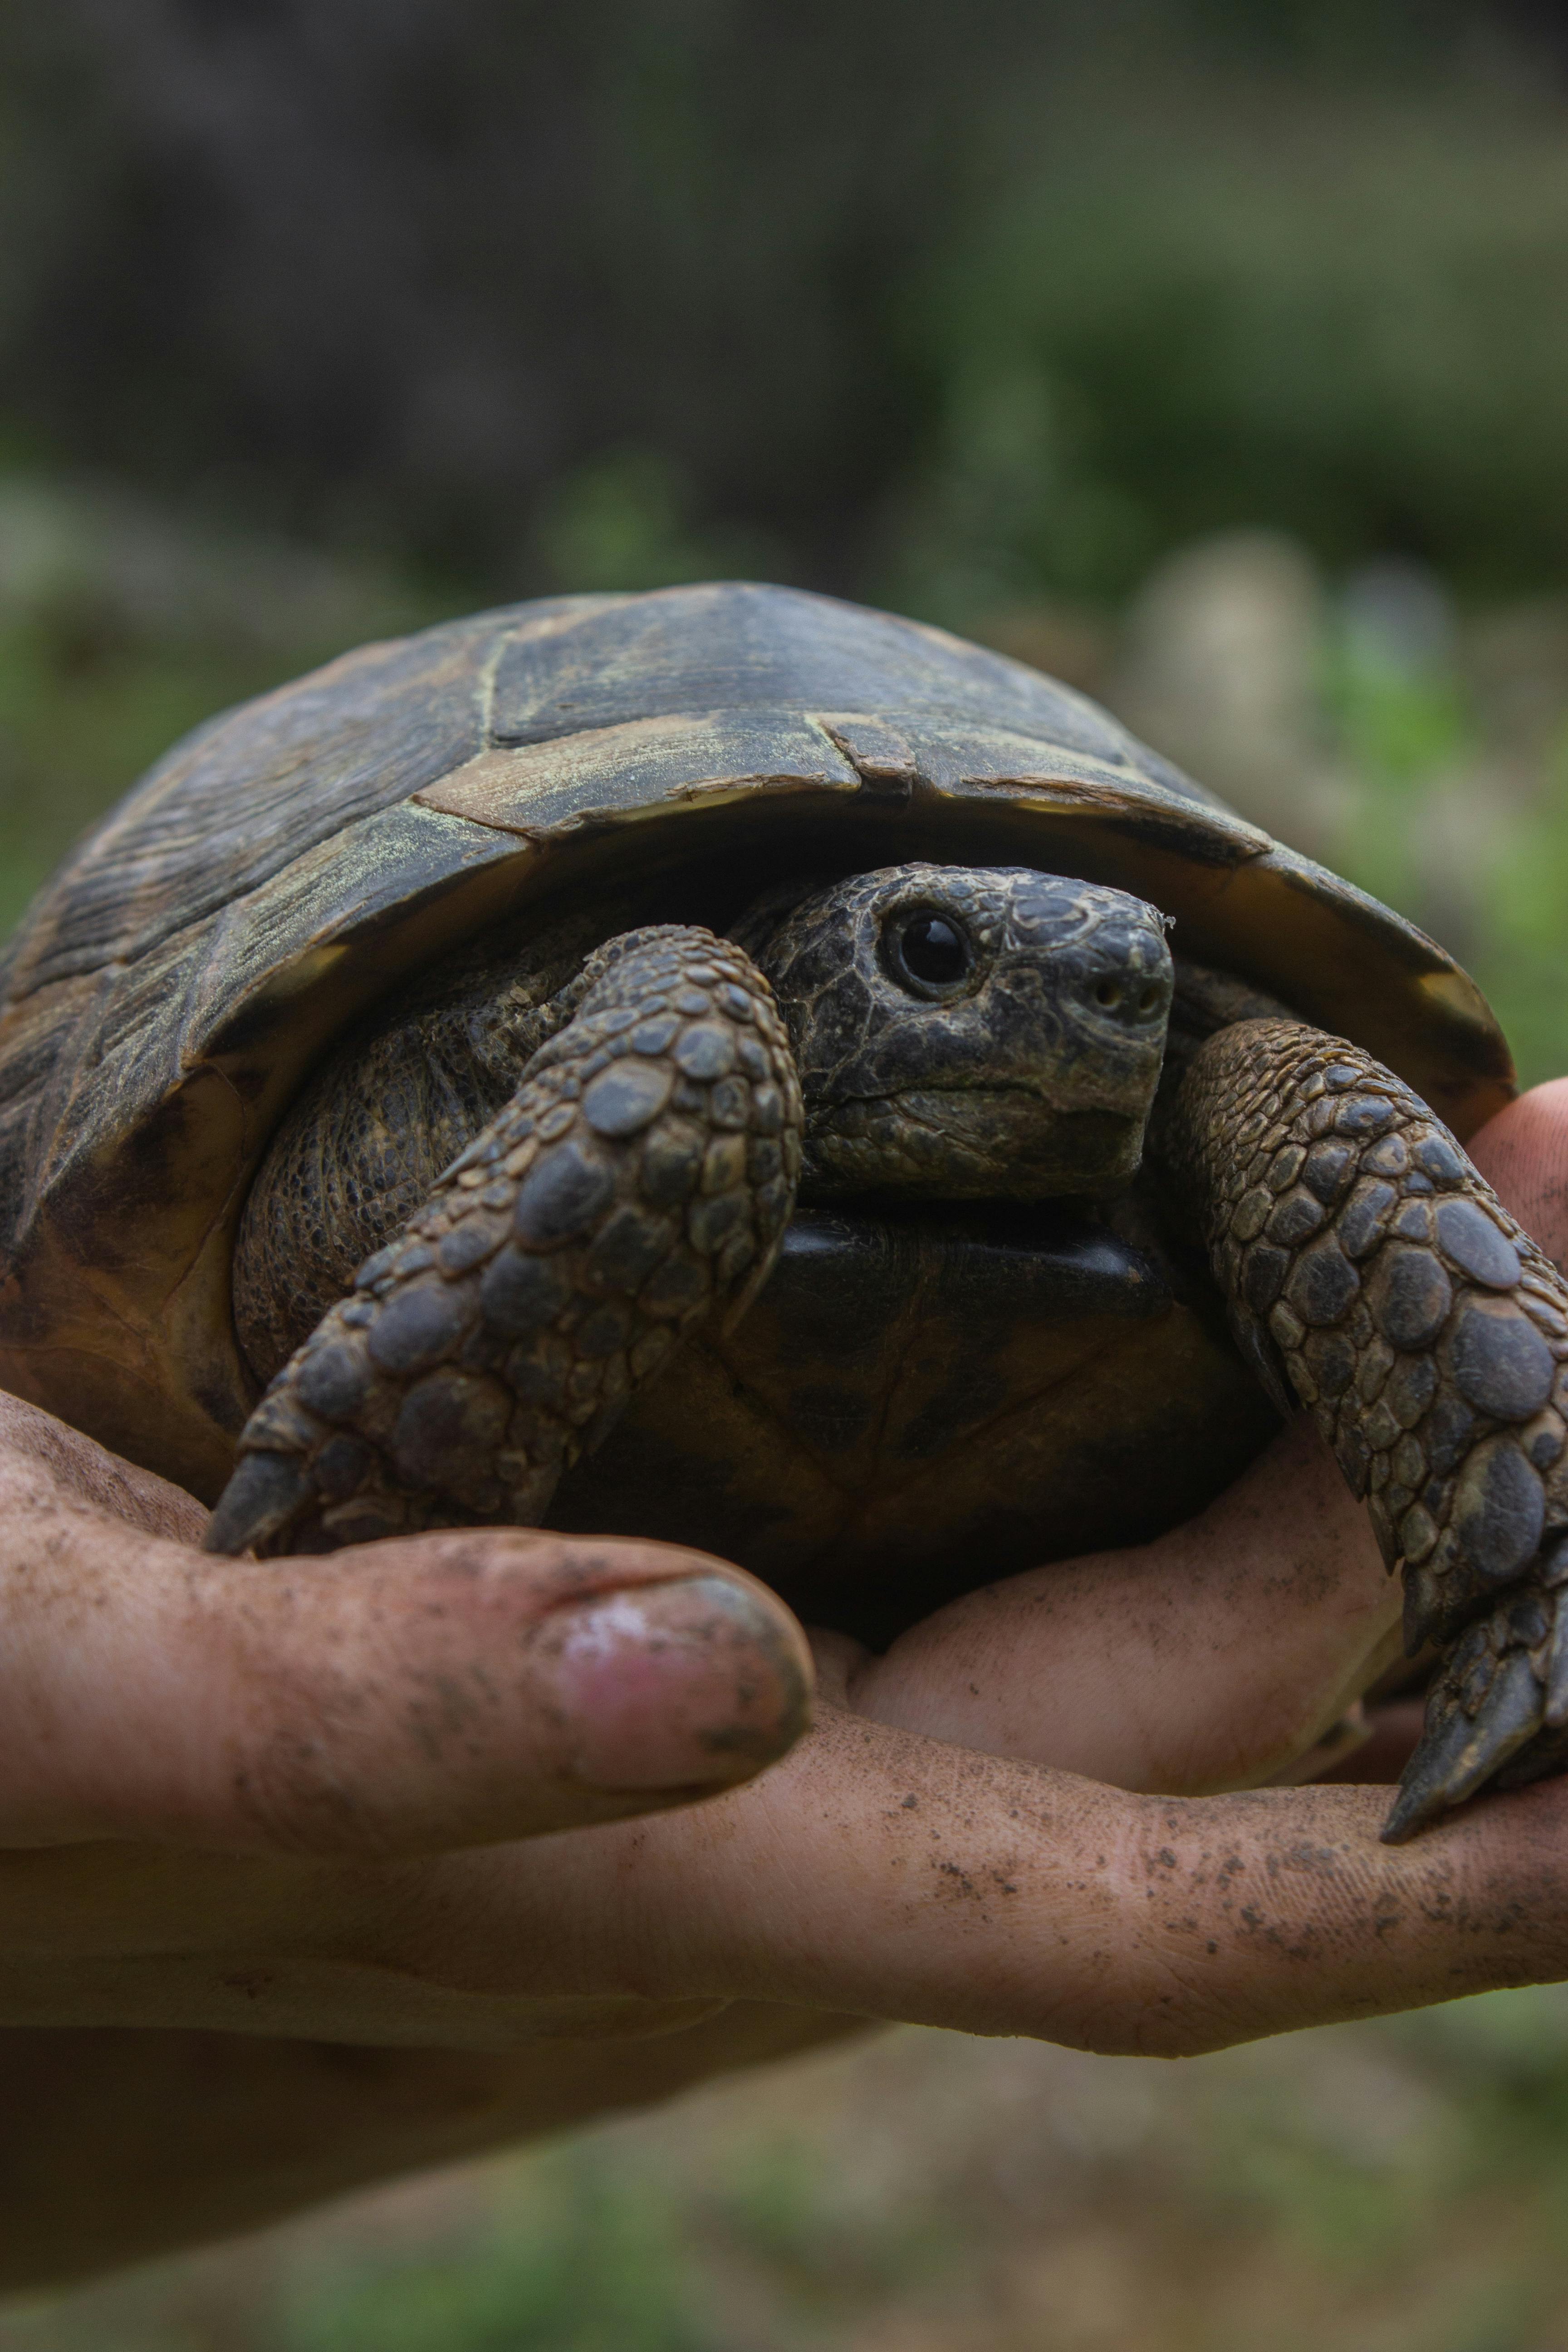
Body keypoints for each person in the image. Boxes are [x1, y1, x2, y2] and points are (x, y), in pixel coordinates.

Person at [5, 1081, 1568, 2291]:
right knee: (688, 1045)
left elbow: (1289, 1099)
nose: (1079, 1006)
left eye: (1121, 986)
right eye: (941, 957)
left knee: (1320, 1111)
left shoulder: (1243, 1088)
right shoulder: (693, 1029)